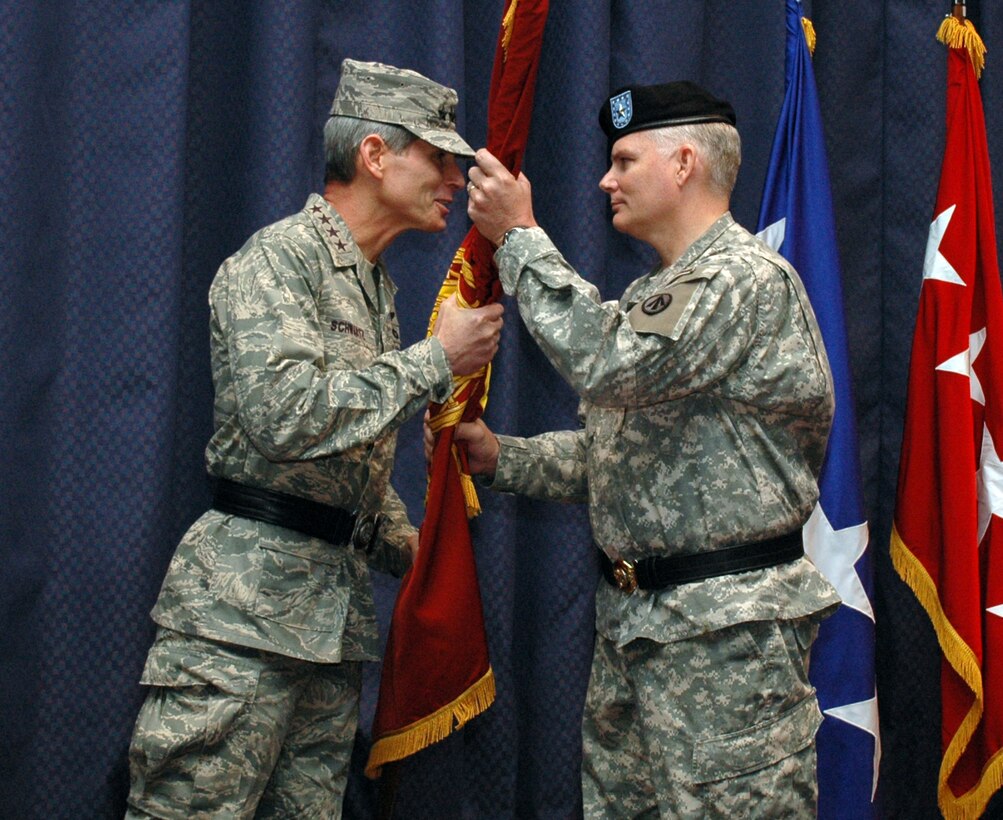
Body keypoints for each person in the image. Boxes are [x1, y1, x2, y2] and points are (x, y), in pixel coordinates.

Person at [125, 58, 503, 818]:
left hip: (329, 627)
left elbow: (349, 474)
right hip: (240, 625)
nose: (454, 181)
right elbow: (286, 417)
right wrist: (437, 361)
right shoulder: (279, 260)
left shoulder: (373, 286)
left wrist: (424, 553)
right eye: (435, 157)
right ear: (373, 155)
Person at [454, 80, 841, 817]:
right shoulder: (657, 295)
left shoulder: (739, 280)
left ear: (684, 162)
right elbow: (624, 456)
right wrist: (501, 457)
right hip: (639, 631)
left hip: (725, 641)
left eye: (625, 160)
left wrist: (518, 237)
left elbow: (605, 363)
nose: (605, 179)